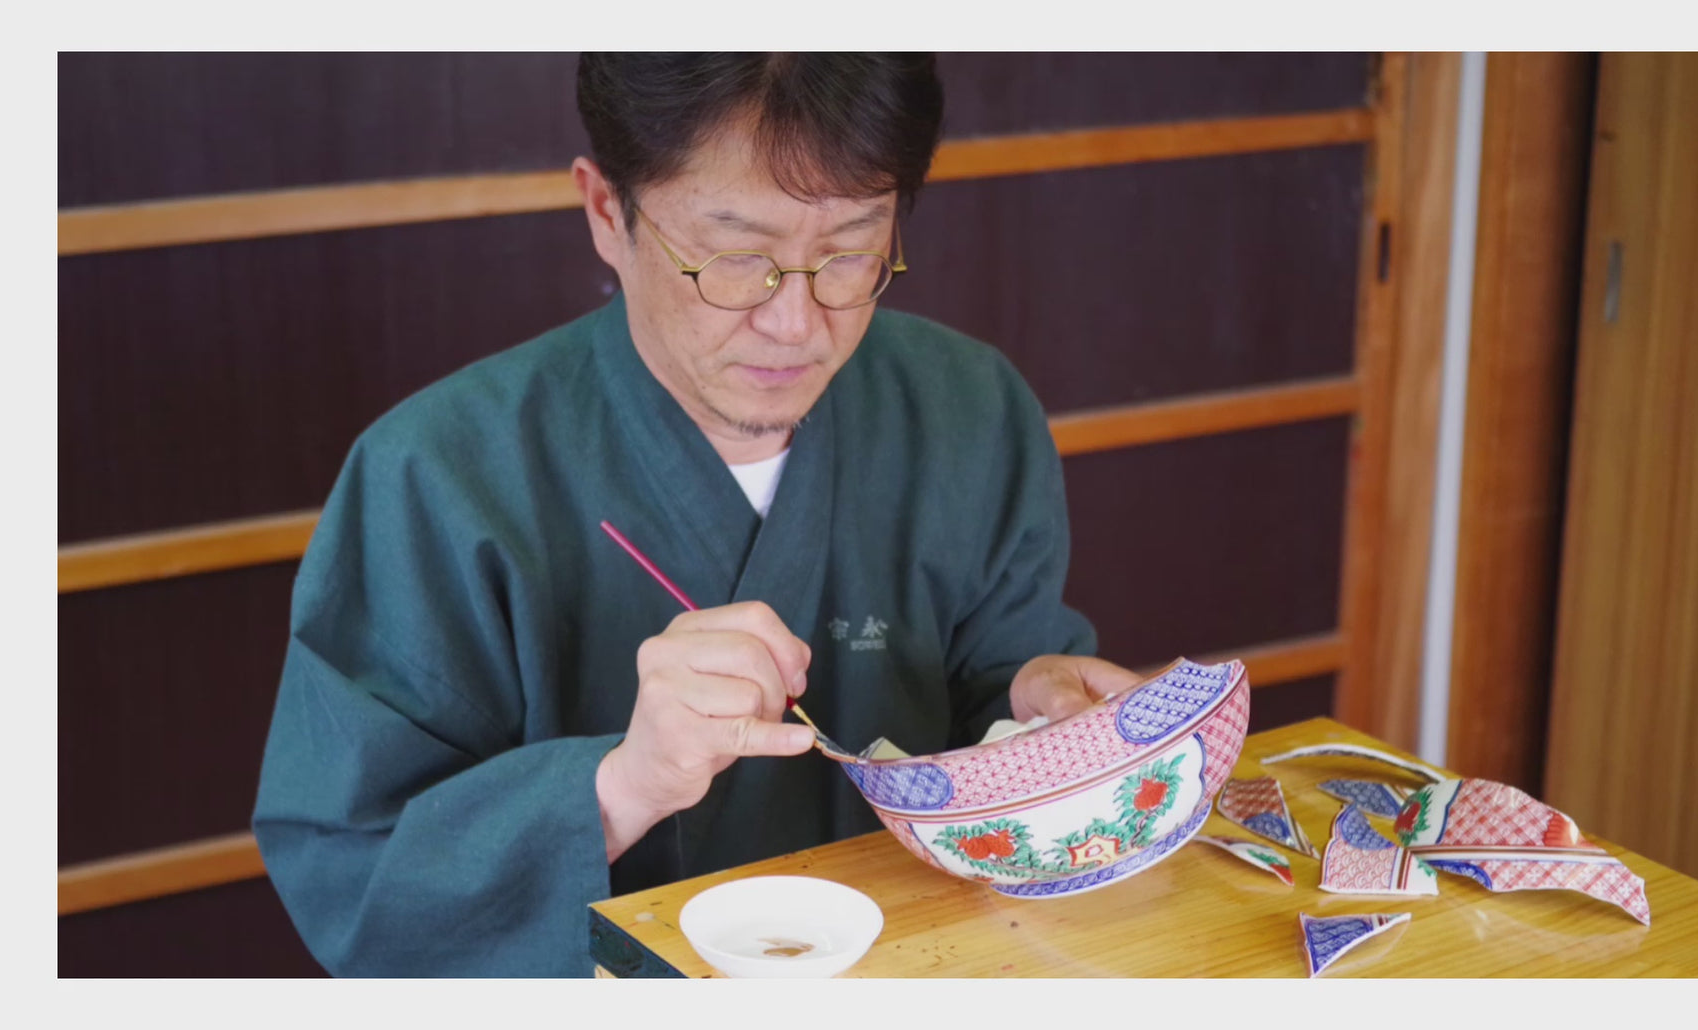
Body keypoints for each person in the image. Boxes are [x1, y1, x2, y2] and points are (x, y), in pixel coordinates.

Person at [252, 52, 1143, 977]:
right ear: (608, 212)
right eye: (736, 259)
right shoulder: (439, 474)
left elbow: (989, 685)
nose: (796, 323)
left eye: (848, 251)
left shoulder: (967, 404)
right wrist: (620, 786)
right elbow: (352, 866)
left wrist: (1033, 706)